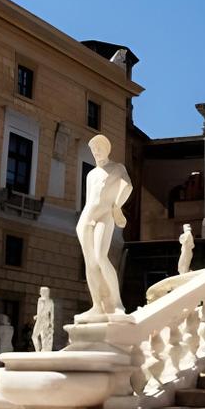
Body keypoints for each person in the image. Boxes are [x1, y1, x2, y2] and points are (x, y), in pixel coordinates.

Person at [75, 134, 132, 323]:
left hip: (105, 215)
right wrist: (83, 222)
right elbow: (89, 200)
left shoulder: (117, 168)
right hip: (86, 217)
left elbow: (127, 186)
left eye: (99, 148)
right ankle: (97, 306)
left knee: (101, 257)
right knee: (90, 264)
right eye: (93, 149)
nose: (96, 152)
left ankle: (117, 304)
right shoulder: (91, 174)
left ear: (107, 148)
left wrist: (117, 206)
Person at [31, 286, 54, 352]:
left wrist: (37, 316)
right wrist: (51, 324)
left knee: (34, 336)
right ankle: (44, 350)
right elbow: (52, 315)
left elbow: (40, 311)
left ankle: (37, 351)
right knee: (44, 336)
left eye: (41, 291)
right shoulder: (50, 301)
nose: (40, 293)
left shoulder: (41, 300)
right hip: (47, 320)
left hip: (40, 320)